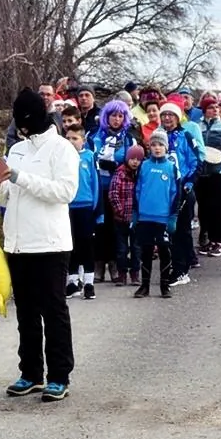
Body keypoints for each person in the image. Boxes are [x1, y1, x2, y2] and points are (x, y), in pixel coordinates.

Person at [0, 88, 79, 401]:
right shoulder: (16, 150)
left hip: (50, 243)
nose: (22, 128)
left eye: (26, 122)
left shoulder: (62, 149)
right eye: (19, 123)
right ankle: (30, 372)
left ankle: (59, 375)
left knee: (53, 311)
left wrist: (19, 177)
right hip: (18, 242)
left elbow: (64, 192)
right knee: (26, 313)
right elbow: (6, 197)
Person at [89, 99, 137, 284]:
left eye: (120, 116)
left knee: (115, 228)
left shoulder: (128, 138)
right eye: (113, 116)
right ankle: (99, 264)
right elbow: (87, 155)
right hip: (98, 186)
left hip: (119, 189)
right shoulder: (94, 135)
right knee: (99, 227)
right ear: (106, 117)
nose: (117, 119)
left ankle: (115, 264)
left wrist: (117, 166)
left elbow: (134, 162)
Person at [131, 128, 180, 298]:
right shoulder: (144, 166)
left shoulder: (171, 168)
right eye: (154, 145)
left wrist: (173, 216)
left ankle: (164, 285)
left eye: (160, 145)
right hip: (145, 216)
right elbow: (136, 190)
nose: (157, 148)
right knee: (146, 251)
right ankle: (144, 286)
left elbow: (175, 194)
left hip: (163, 218)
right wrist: (135, 213)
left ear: (166, 147)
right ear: (149, 147)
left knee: (165, 251)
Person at [156, 102, 201, 284]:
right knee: (167, 230)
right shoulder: (158, 136)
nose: (167, 118)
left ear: (177, 117)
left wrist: (189, 182)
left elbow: (196, 161)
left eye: (171, 115)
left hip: (182, 188)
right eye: (164, 115)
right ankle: (174, 265)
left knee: (181, 229)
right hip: (163, 189)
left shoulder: (185, 136)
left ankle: (182, 269)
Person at [196, 94, 221, 258]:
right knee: (204, 208)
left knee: (217, 208)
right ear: (204, 110)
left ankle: (219, 242)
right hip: (202, 172)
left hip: (220, 171)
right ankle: (210, 241)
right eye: (211, 108)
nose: (215, 110)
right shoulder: (197, 126)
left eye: (216, 107)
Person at [65, 128, 100, 300]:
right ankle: (72, 282)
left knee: (86, 245)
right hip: (67, 206)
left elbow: (95, 183)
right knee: (70, 245)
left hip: (85, 206)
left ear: (83, 141)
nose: (71, 142)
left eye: (75, 138)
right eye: (68, 138)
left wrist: (97, 210)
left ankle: (88, 283)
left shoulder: (89, 157)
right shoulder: (62, 157)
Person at [107, 143, 142, 286]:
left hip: (137, 218)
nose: (135, 162)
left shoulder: (141, 174)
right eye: (132, 159)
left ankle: (135, 274)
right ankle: (122, 274)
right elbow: (113, 193)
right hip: (121, 218)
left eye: (138, 159)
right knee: (121, 249)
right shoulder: (120, 173)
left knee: (136, 248)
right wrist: (119, 211)